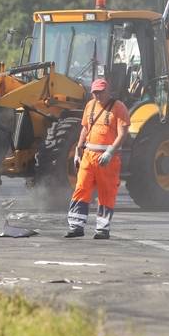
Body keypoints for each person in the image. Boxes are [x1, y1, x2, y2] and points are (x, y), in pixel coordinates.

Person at [65, 78, 130, 239]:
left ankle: (102, 229)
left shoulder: (119, 107)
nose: (98, 95)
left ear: (108, 91)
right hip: (88, 155)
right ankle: (76, 226)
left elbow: (122, 134)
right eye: (95, 92)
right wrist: (79, 149)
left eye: (101, 92)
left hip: (108, 158)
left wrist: (109, 152)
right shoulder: (90, 105)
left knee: (106, 192)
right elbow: (85, 128)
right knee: (81, 188)